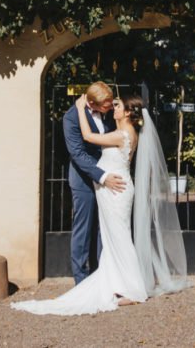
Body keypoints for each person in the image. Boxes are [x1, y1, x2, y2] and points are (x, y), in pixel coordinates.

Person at [11, 91, 191, 315]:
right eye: (112, 104)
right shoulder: (122, 131)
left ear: (127, 112)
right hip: (110, 189)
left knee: (119, 237)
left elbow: (88, 137)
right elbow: (83, 149)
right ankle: (116, 282)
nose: (112, 108)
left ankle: (133, 290)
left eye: (117, 106)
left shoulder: (122, 134)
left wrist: (79, 107)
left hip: (115, 190)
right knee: (111, 236)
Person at [60, 81, 125, 284]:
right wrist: (103, 176)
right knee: (84, 228)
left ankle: (102, 275)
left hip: (107, 178)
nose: (111, 107)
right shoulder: (71, 117)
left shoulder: (105, 113)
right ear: (92, 103)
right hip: (84, 180)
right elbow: (77, 153)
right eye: (107, 104)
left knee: (103, 227)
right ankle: (81, 279)